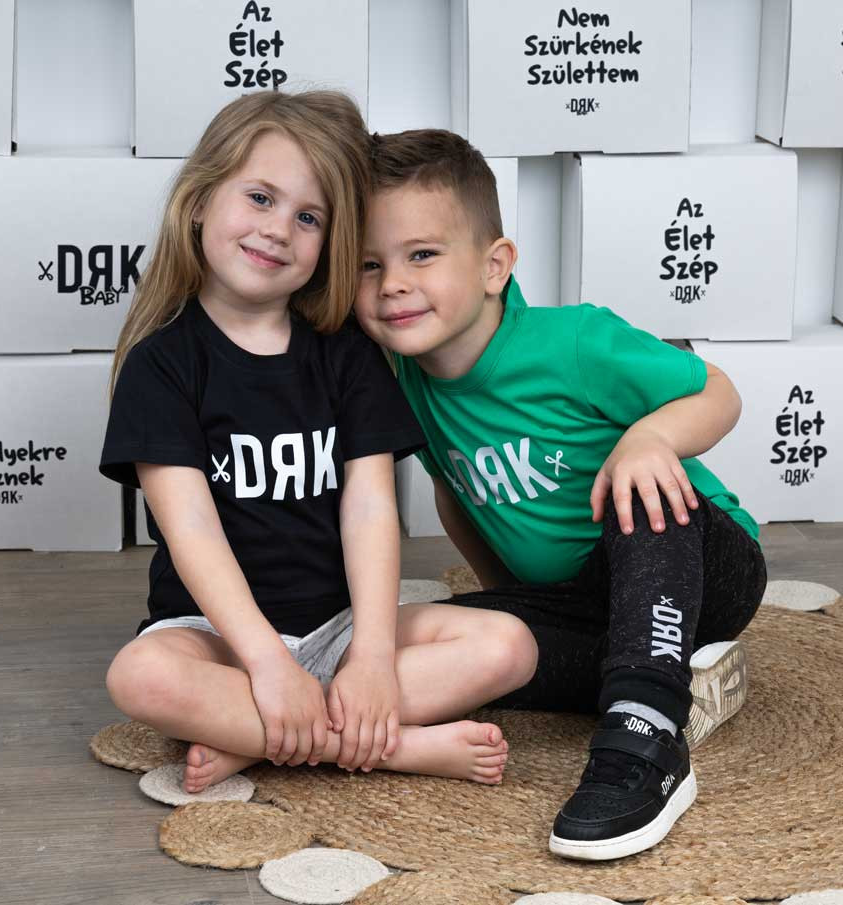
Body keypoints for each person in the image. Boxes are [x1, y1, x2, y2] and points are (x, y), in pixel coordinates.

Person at [98, 92, 539, 796]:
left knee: (510, 645)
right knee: (141, 675)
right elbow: (192, 532)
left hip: (338, 629)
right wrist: (267, 664)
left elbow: (370, 510)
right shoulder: (163, 365)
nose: (278, 229)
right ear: (201, 200)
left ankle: (260, 737)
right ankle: (388, 746)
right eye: (260, 198)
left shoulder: (346, 352)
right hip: (218, 636)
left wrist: (371, 656)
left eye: (309, 218)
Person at [353, 128, 768, 861]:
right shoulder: (404, 384)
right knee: (401, 631)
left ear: (494, 266)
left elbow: (718, 393)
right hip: (584, 604)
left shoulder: (574, 342)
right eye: (369, 264)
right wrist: (507, 599)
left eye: (421, 255)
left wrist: (650, 439)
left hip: (697, 564)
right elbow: (457, 493)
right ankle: (676, 676)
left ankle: (645, 741)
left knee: (640, 491)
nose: (392, 283)